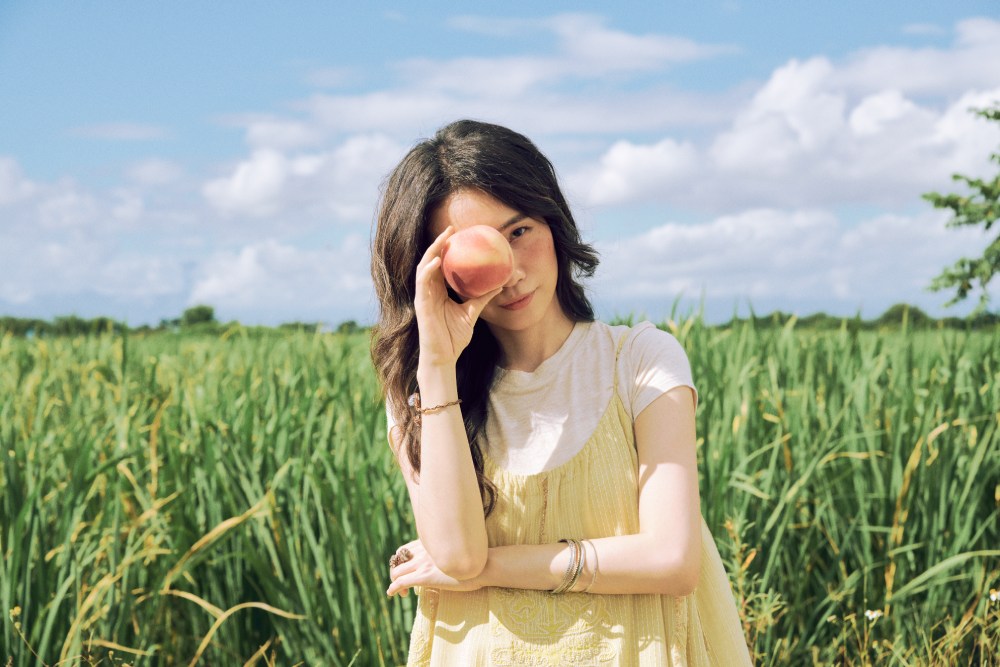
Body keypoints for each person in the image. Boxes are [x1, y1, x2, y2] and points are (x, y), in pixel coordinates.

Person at [370, 119, 752, 666]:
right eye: (471, 252)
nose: (508, 271)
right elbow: (456, 552)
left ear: (553, 223)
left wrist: (490, 569)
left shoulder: (640, 360)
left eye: (519, 231)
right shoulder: (421, 390)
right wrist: (436, 364)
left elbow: (673, 559)